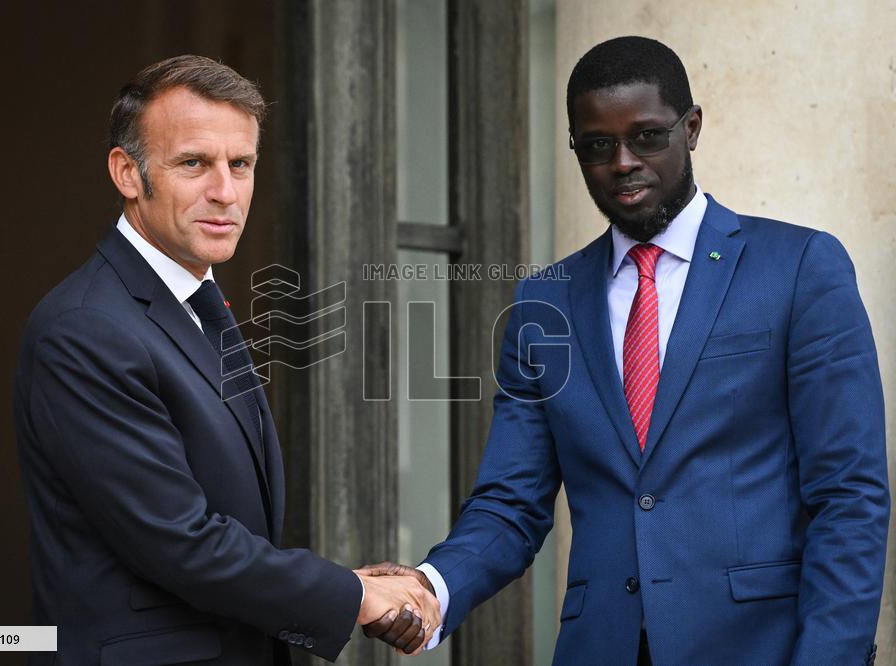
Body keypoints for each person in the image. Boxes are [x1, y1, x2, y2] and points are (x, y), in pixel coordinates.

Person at [360, 36, 889, 665]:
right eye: (597, 145)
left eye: (646, 137)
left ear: (691, 128)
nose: (622, 162)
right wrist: (431, 587)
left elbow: (849, 494)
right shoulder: (543, 303)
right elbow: (511, 502)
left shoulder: (799, 267)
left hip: (762, 649)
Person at [14, 55, 438, 665]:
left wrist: (348, 589)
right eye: (194, 163)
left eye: (240, 165)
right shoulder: (85, 330)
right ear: (127, 173)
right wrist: (354, 596)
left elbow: (220, 525)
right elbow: (180, 542)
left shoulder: (194, 301)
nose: (225, 191)